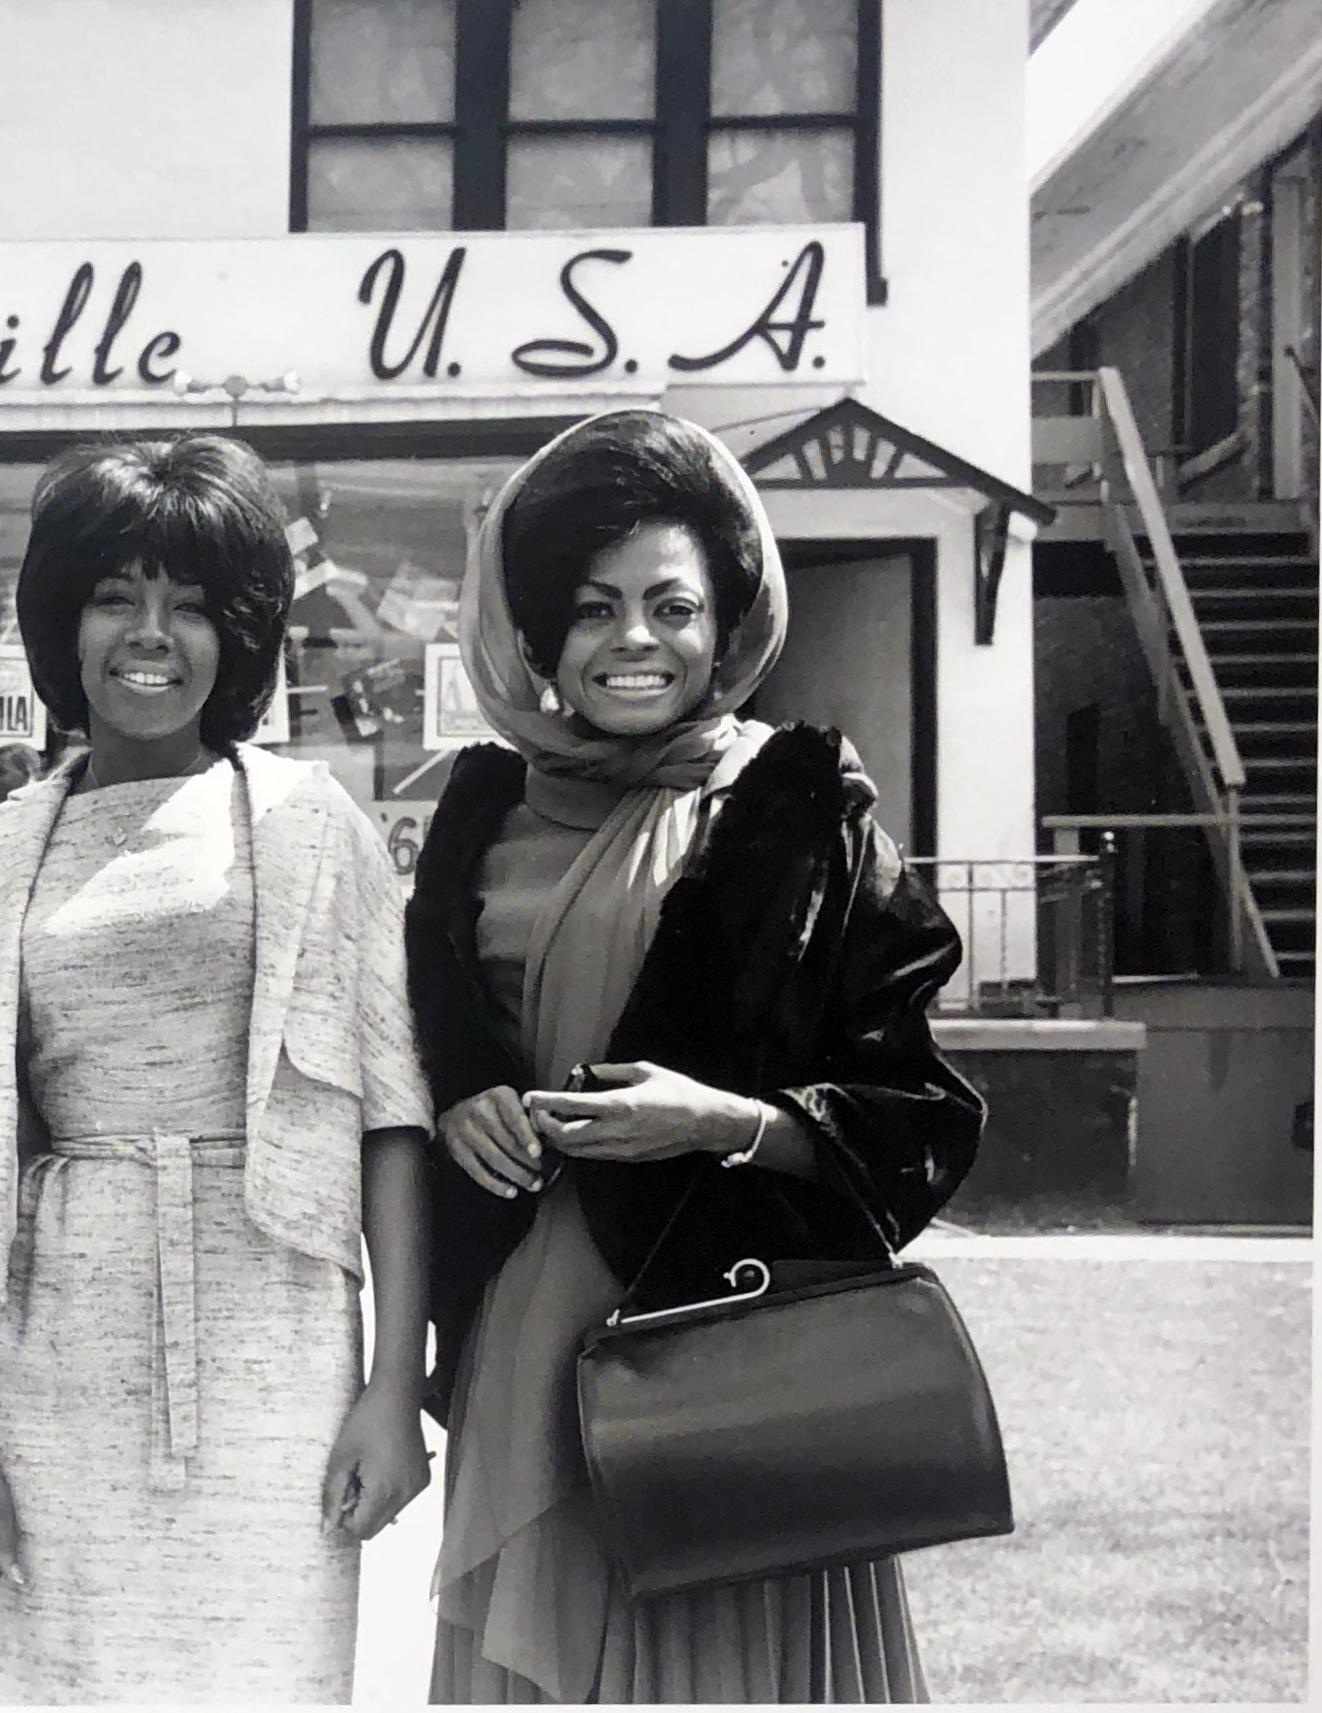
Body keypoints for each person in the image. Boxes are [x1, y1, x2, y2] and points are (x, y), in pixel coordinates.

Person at [408, 409, 983, 1704]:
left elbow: (916, 1112)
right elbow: (411, 1053)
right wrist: (458, 1107)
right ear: (538, 635)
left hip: (735, 1368)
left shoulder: (799, 808)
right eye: (593, 607)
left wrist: (720, 1121)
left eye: (671, 606)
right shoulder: (473, 816)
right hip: (525, 1352)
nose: (633, 641)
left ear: (727, 625)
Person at [0, 436, 433, 1704]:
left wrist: (390, 1387)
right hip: (56, 1349)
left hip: (277, 1341)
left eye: (192, 605)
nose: (151, 635)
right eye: (114, 597)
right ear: (61, 625)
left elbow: (390, 1121)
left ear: (239, 637)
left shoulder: (313, 823)